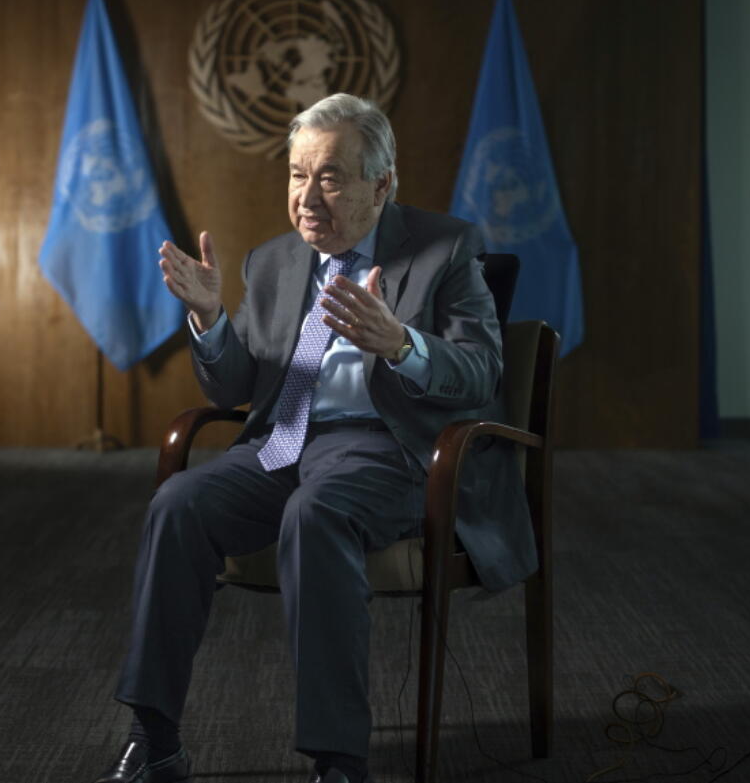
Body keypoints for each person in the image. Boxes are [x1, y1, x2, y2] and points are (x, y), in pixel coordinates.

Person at [94, 93, 536, 783]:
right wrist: (210, 319)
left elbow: (480, 371)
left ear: (381, 184)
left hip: (388, 449)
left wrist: (401, 343)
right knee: (178, 501)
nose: (307, 195)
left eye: (329, 176)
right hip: (281, 445)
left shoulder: (446, 248)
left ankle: (339, 761)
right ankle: (154, 739)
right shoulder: (273, 261)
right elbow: (234, 389)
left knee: (316, 510)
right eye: (297, 175)